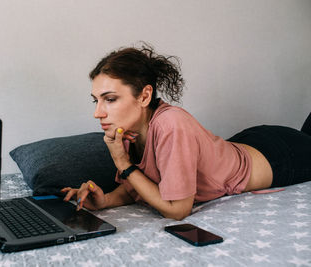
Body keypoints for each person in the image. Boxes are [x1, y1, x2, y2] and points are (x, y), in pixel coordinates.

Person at [61, 44, 311, 220]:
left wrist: (122, 163)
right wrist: (105, 200)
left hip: (281, 157)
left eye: (111, 99)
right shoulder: (130, 131)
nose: (98, 113)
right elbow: (136, 187)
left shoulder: (171, 124)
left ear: (145, 96)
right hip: (246, 142)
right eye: (96, 101)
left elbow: (178, 210)